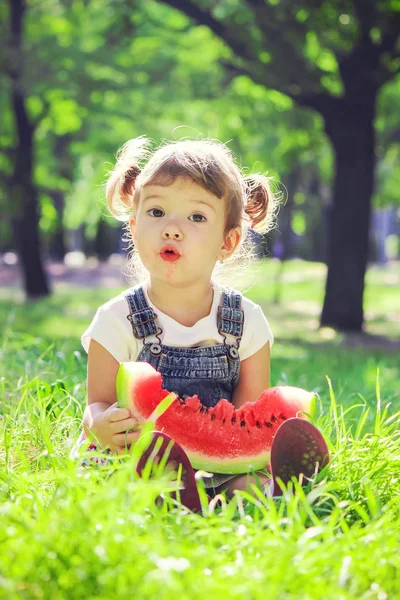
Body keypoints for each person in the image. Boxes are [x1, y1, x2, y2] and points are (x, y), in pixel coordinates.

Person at [73, 136, 329, 509]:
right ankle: (175, 495)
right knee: (114, 479)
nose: (172, 229)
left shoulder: (246, 323)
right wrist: (97, 423)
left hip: (222, 462)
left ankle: (269, 486)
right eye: (157, 212)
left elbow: (247, 423)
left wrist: (249, 456)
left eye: (196, 217)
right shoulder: (117, 320)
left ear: (228, 242)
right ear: (133, 226)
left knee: (252, 482)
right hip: (136, 454)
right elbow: (97, 403)